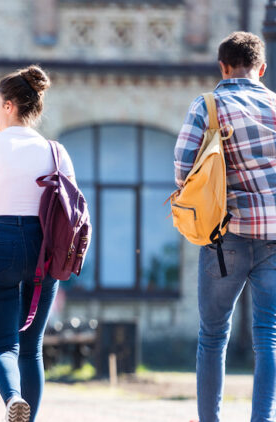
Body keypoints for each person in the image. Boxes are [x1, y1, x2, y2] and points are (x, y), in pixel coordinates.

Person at [175, 31, 276, 422]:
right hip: (273, 239)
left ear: (222, 66)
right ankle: (263, 418)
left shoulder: (208, 105)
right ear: (261, 68)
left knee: (213, 336)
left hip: (225, 238)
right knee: (268, 335)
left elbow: (183, 168)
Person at [0, 65, 74, 422]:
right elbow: (70, 211)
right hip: (44, 247)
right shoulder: (56, 151)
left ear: (10, 105)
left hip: (0, 240)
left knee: (2, 345)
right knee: (31, 349)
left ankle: (13, 396)